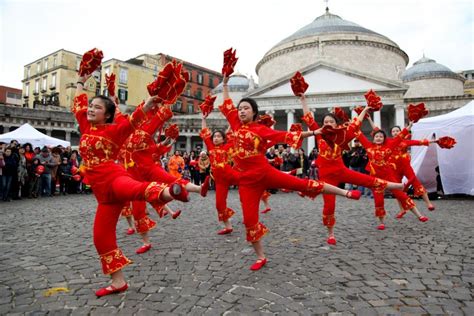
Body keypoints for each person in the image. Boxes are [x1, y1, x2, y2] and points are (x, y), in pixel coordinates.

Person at [219, 74, 361, 271]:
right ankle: (261, 256)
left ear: (254, 113)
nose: (241, 111)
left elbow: (285, 135)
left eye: (246, 108)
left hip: (265, 172)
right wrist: (225, 83)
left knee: (303, 184)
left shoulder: (260, 129)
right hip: (246, 181)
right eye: (240, 108)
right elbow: (226, 102)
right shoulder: (234, 123)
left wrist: (313, 132)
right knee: (249, 220)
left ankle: (345, 192)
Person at [74, 71, 190, 297]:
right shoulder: (84, 125)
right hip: (102, 194)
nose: (90, 108)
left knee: (138, 190)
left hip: (113, 178)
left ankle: (172, 192)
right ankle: (118, 282)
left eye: (97, 107)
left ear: (107, 115)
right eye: (91, 105)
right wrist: (81, 79)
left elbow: (133, 120)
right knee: (100, 238)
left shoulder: (115, 130)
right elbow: (78, 102)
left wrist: (148, 104)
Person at [298, 94, 405, 242]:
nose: (328, 123)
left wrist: (366, 109)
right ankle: (331, 234)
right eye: (325, 121)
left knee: (368, 180)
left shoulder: (344, 135)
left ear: (336, 124)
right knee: (329, 206)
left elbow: (356, 123)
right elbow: (308, 117)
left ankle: (395, 185)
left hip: (342, 171)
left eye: (331, 121)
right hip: (326, 177)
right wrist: (303, 100)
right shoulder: (319, 133)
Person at [356, 125, 429, 226]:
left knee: (401, 195)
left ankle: (419, 215)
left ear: (384, 139)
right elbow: (359, 135)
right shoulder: (369, 146)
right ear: (373, 138)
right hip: (375, 179)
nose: (379, 138)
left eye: (381, 137)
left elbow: (399, 137)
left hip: (388, 177)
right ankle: (381, 222)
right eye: (377, 136)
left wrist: (409, 126)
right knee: (378, 201)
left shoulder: (388, 147)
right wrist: (355, 124)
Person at [200, 114, 239, 235]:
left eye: (218, 136)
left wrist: (231, 122)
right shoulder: (210, 147)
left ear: (223, 139)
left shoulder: (228, 146)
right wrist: (203, 118)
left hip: (231, 175)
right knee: (219, 205)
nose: (215, 138)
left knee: (252, 180)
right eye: (214, 136)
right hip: (220, 181)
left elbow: (232, 132)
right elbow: (205, 132)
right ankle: (228, 227)